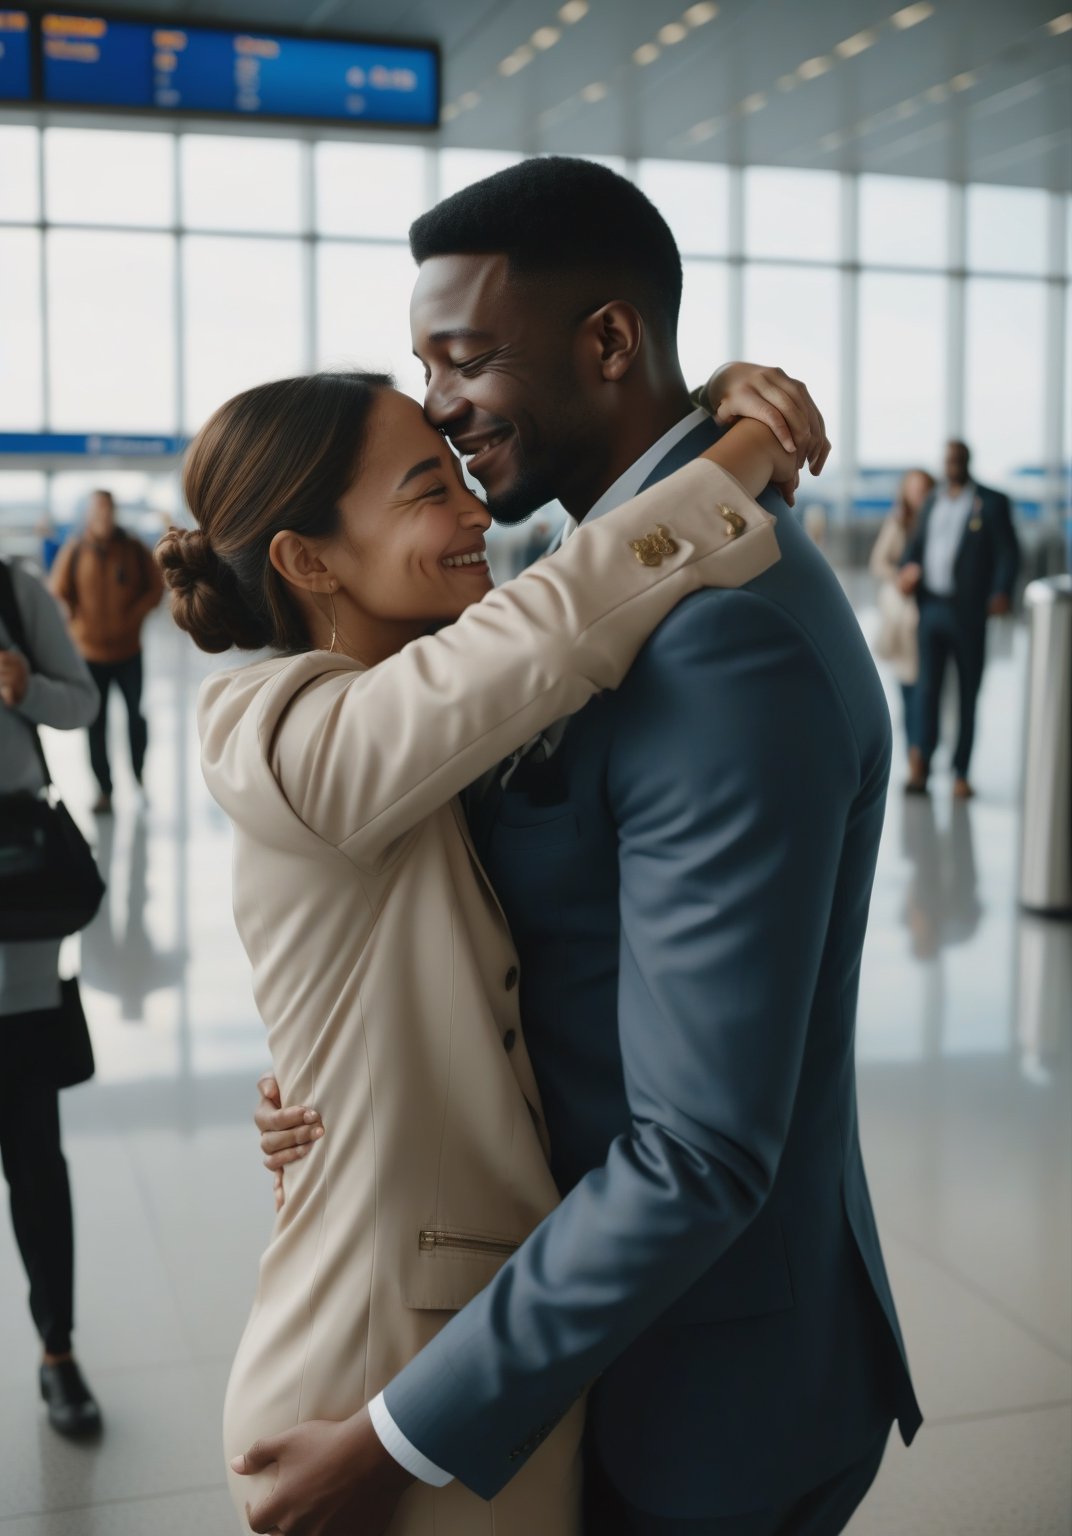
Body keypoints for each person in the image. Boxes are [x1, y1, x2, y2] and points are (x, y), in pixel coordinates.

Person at [242, 156, 920, 1536]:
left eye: (464, 359)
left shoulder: (719, 641)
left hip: (693, 1399)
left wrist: (397, 1441)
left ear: (608, 341)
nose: (437, 402)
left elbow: (698, 1154)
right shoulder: (583, 570)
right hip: (596, 1347)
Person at [161, 367, 798, 1535]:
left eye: (460, 474)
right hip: (371, 1377)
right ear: (308, 560)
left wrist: (683, 412)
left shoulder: (402, 724)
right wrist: (736, 449)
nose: (476, 512)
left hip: (443, 1339)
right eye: (424, 491)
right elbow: (554, 621)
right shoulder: (286, 732)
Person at [0, 555, 103, 1439]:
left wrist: (27, 684)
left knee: (34, 1156)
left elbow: (84, 703)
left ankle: (58, 1350)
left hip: (15, 917)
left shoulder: (12, 590)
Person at [899, 440, 1021, 799]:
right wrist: (907, 569)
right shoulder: (933, 501)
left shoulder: (991, 502)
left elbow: (1007, 552)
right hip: (931, 608)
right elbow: (915, 547)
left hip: (968, 613)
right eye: (948, 459)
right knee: (927, 691)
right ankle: (922, 767)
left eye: (958, 458)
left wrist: (1000, 591)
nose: (952, 464)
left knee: (968, 694)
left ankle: (961, 773)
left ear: (967, 461)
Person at [49, 490, 164, 814]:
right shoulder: (75, 551)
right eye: (98, 512)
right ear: (89, 515)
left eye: (109, 511)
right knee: (95, 724)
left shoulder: (133, 548)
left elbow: (156, 587)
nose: (104, 518)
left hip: (129, 652)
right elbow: (57, 590)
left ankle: (139, 777)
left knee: (134, 717)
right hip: (90, 656)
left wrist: (136, 615)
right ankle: (104, 790)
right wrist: (75, 621)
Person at [870, 468, 936, 756]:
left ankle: (922, 750)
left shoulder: (937, 519)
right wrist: (901, 577)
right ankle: (915, 752)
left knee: (928, 686)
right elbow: (879, 563)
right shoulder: (899, 522)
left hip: (932, 611)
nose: (919, 495)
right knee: (909, 683)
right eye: (914, 489)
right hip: (905, 614)